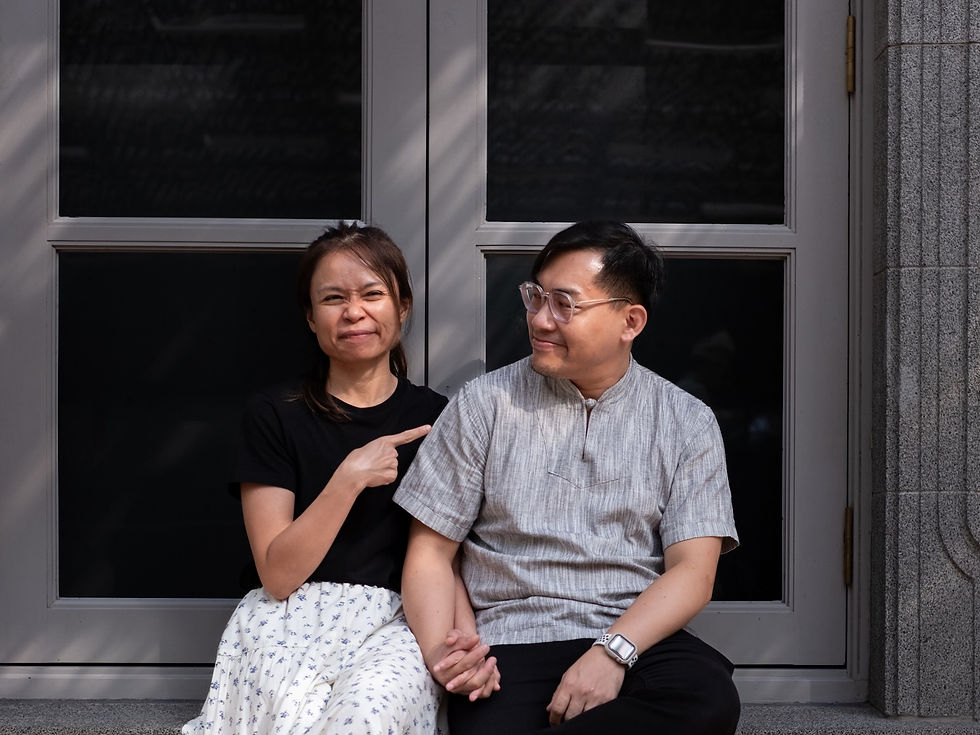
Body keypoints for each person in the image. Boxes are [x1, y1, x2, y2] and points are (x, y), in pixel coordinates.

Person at [394, 220, 741, 734]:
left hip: (637, 637)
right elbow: (429, 554)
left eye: (564, 303)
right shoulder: (484, 404)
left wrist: (612, 653)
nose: (539, 319)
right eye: (535, 297)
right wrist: (451, 659)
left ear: (631, 321)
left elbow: (693, 571)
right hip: (511, 641)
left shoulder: (686, 420)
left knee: (708, 700)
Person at [184, 222, 491, 735]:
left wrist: (465, 641)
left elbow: (443, 557)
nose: (354, 312)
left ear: (403, 306)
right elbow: (278, 576)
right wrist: (347, 479)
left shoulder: (437, 417)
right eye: (333, 298)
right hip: (286, 619)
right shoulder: (275, 414)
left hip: (397, 621)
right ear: (310, 316)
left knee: (363, 720)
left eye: (373, 294)